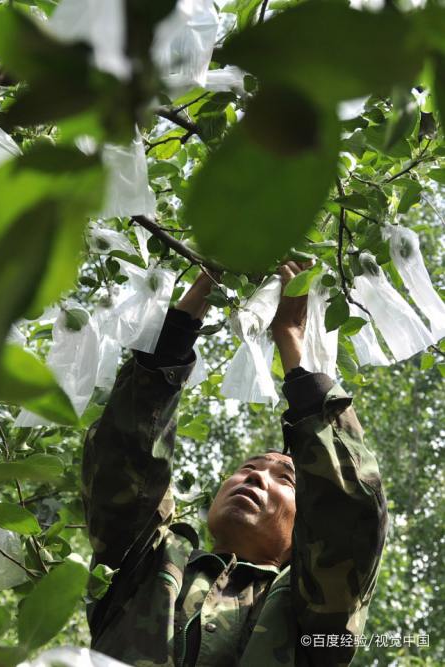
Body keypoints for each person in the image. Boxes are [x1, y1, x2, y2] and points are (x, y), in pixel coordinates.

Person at [82, 263, 389, 667]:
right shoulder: (147, 564)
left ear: (306, 527)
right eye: (249, 468)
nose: (257, 475)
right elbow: (123, 462)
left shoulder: (312, 618)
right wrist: (203, 289)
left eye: (286, 478)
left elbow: (350, 517)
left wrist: (293, 339)